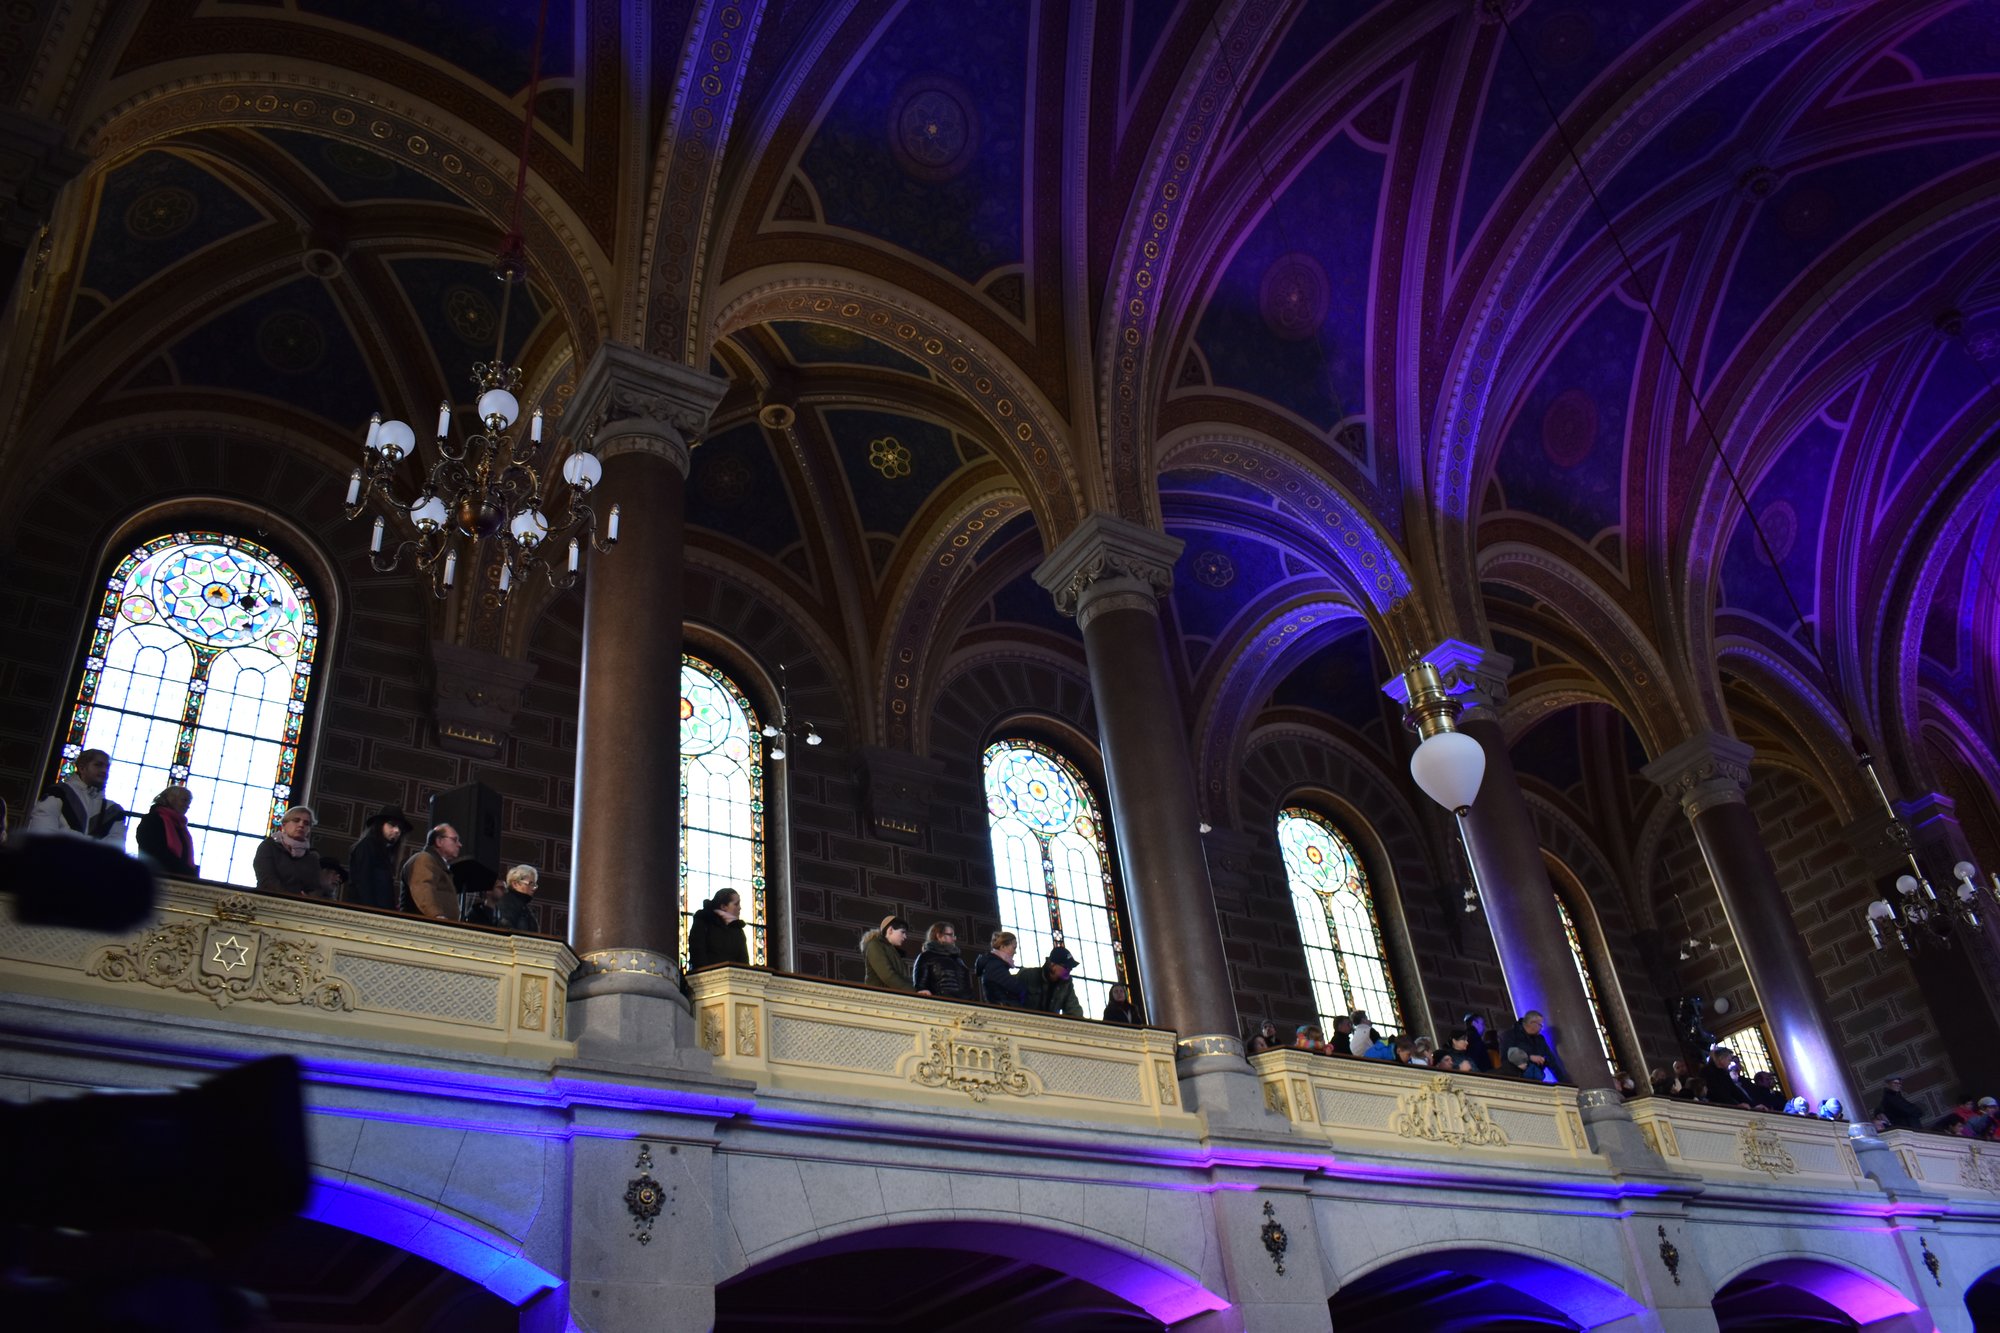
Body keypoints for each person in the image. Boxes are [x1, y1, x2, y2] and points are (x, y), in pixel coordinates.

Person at [27, 749, 127, 843]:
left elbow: (114, 850)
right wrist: (94, 844)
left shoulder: (114, 811)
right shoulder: (58, 793)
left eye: (107, 767)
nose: (104, 771)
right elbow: (42, 834)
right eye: (98, 765)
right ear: (82, 768)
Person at [345, 806, 407, 911]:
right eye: (392, 825)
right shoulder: (367, 846)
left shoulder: (384, 852)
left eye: (400, 827)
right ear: (380, 824)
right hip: (365, 914)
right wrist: (371, 913)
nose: (397, 831)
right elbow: (363, 883)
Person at [253, 806, 321, 896]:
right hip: (268, 899)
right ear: (284, 825)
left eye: (306, 823)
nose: (301, 825)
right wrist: (291, 897)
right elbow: (266, 879)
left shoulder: (312, 857)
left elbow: (314, 887)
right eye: (296, 820)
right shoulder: (268, 846)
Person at [134, 784, 198, 878]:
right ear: (171, 799)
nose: (187, 806)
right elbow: (153, 850)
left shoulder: (179, 826)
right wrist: (184, 869)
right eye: (184, 800)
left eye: (189, 802)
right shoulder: (153, 820)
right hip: (155, 876)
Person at [401, 823, 460, 920]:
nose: (459, 844)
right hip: (422, 928)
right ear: (439, 841)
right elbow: (423, 889)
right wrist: (436, 916)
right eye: (455, 840)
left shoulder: (438, 865)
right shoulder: (423, 859)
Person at [687, 888, 749, 968]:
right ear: (723, 906)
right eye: (736, 904)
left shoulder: (738, 930)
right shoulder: (704, 921)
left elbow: (744, 961)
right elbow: (697, 952)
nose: (740, 908)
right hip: (708, 976)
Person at [1499, 1011, 1566, 1084]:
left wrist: (1564, 1083)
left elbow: (1551, 1062)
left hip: (1537, 1080)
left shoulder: (1540, 1039)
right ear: (1532, 1023)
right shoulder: (1509, 1035)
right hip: (1518, 1081)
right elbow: (1506, 1058)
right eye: (1540, 1025)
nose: (1541, 1028)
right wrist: (1529, 1057)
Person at [911, 921, 973, 999]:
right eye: (950, 935)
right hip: (940, 1002)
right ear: (939, 936)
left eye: (954, 936)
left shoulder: (958, 960)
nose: (954, 939)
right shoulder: (926, 957)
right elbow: (921, 986)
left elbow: (967, 986)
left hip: (964, 1003)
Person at [1023, 945, 1083, 1018]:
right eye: (1066, 967)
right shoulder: (1029, 976)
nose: (1070, 969)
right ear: (1052, 965)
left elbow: (1073, 1009)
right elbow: (1012, 999)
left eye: (1071, 967)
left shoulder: (1066, 984)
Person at [861, 915, 917, 991]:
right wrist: (915, 991)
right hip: (879, 998)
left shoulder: (893, 951)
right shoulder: (874, 945)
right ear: (890, 930)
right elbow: (888, 976)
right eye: (902, 932)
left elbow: (902, 979)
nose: (905, 936)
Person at [974, 931, 1026, 1006]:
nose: (1015, 952)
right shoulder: (995, 965)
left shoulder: (995, 963)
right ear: (1003, 947)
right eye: (1013, 948)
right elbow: (1016, 988)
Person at [495, 864, 540, 933]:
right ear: (515, 884)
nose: (533, 888)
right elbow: (505, 930)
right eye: (530, 883)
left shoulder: (524, 907)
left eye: (534, 885)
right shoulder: (507, 903)